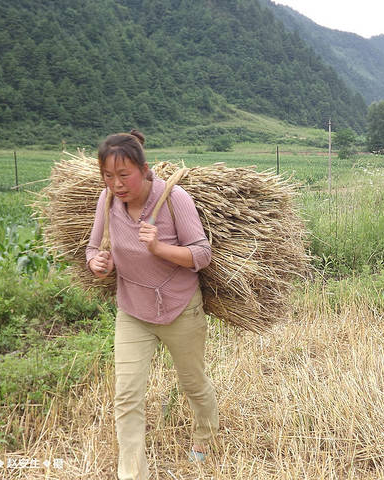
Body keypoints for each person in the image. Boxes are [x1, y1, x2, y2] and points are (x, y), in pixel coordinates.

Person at [86, 130, 217, 480]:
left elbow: (202, 255)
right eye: (108, 176)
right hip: (132, 310)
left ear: (144, 170)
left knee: (193, 384)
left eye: (123, 175)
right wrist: (97, 262)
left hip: (179, 307)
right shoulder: (107, 201)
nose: (116, 184)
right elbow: (93, 247)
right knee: (127, 396)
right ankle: (132, 473)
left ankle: (204, 437)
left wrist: (159, 248)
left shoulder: (175, 199)